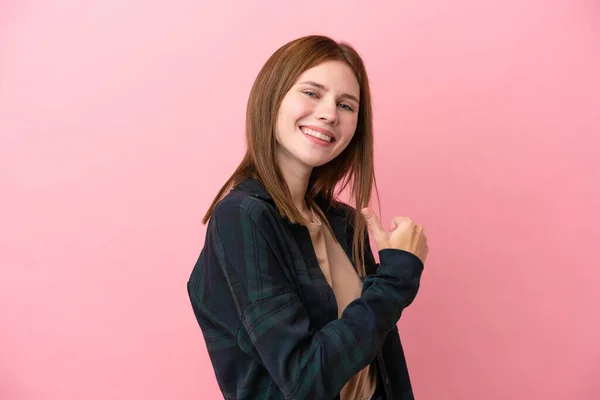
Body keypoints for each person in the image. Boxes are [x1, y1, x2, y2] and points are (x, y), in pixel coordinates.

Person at [187, 35, 428, 400]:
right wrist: (396, 278)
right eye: (312, 93)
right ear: (273, 98)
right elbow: (305, 381)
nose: (330, 113)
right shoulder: (242, 217)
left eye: (346, 105)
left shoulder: (344, 223)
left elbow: (377, 361)